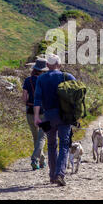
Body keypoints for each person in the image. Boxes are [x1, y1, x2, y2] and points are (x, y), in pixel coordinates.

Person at [33, 54, 76, 186]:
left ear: (47, 65)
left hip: (48, 116)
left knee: (51, 145)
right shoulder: (67, 76)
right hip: (65, 116)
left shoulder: (41, 78)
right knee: (64, 144)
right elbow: (77, 94)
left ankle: (52, 175)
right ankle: (60, 174)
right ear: (59, 64)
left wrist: (36, 117)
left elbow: (37, 99)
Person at [22, 58, 48, 170]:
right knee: (42, 137)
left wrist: (29, 103)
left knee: (36, 137)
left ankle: (41, 161)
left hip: (30, 111)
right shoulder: (46, 80)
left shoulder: (27, 81)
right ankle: (35, 159)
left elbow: (24, 98)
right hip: (44, 111)